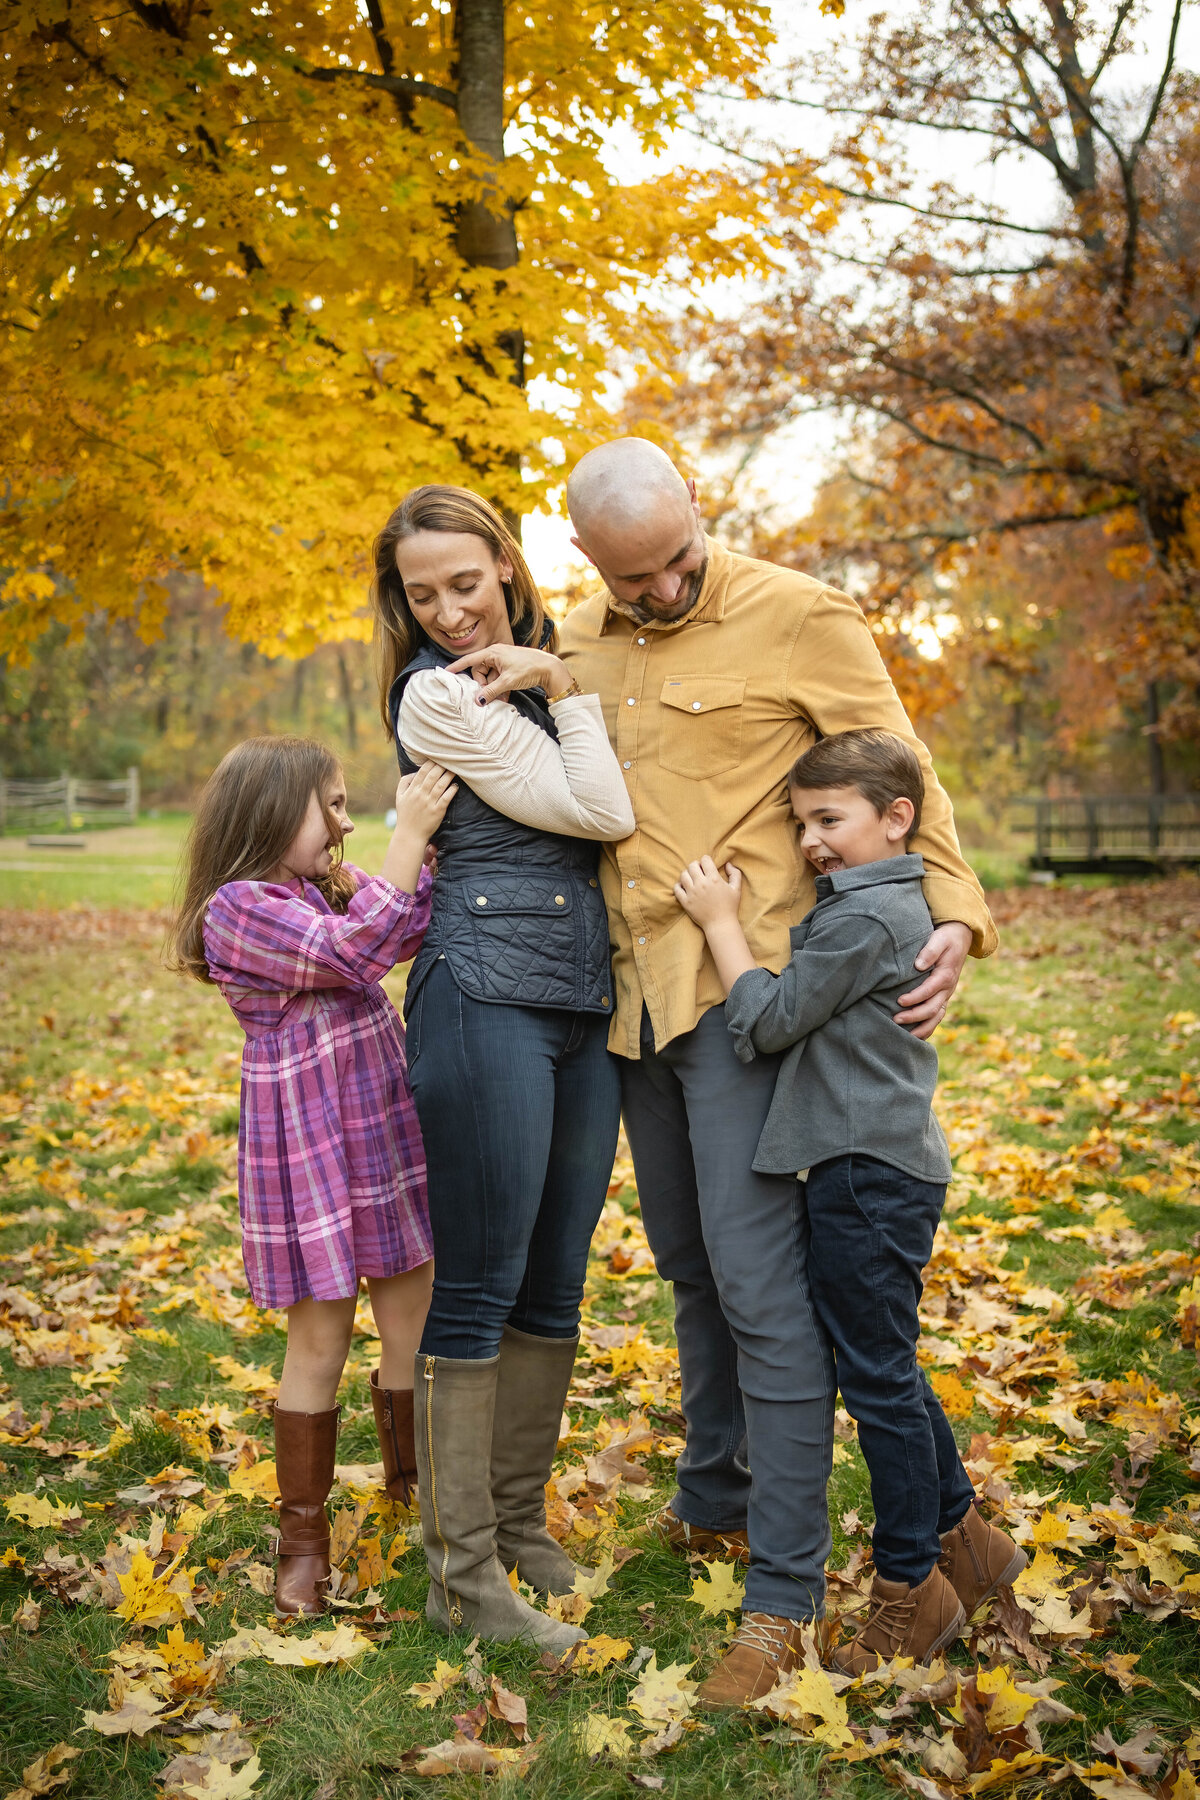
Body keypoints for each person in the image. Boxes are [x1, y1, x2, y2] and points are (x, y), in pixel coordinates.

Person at [553, 437, 999, 1708]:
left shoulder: (804, 615)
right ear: (590, 562)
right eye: (631, 579)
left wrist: (954, 918)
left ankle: (785, 1602)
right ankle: (716, 1498)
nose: (661, 593)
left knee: (763, 1295)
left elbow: (905, 777)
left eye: (676, 563)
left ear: (701, 506)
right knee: (693, 1271)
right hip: (630, 1010)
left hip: (749, 1010)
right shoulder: (576, 642)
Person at [675, 728, 1027, 1672]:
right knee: (885, 1365)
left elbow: (771, 1022)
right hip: (876, 1166)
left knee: (877, 1381)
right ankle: (969, 1540)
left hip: (866, 1173)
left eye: (829, 819)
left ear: (897, 818)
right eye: (802, 824)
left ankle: (911, 1587)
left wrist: (719, 923)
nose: (811, 842)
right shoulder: (886, 906)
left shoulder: (861, 922)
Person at [371, 484, 635, 1653]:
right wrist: (565, 690)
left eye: (465, 584)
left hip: (580, 997)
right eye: (423, 595)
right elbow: (599, 811)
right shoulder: (434, 698)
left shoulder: (529, 666)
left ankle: (518, 1526)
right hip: (482, 1001)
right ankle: (462, 1574)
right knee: (479, 1283)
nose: (448, 613)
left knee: (555, 1280)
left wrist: (552, 674)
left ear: (505, 566)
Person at [168, 736, 454, 1617]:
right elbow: (352, 954)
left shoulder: (321, 888)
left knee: (412, 1315)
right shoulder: (237, 908)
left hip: (381, 1132)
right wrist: (405, 841)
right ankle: (302, 1539)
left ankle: (412, 1491)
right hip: (309, 1148)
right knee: (322, 1339)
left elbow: (402, 926)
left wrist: (434, 851)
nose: (345, 819)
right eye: (327, 804)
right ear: (267, 809)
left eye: (346, 805)